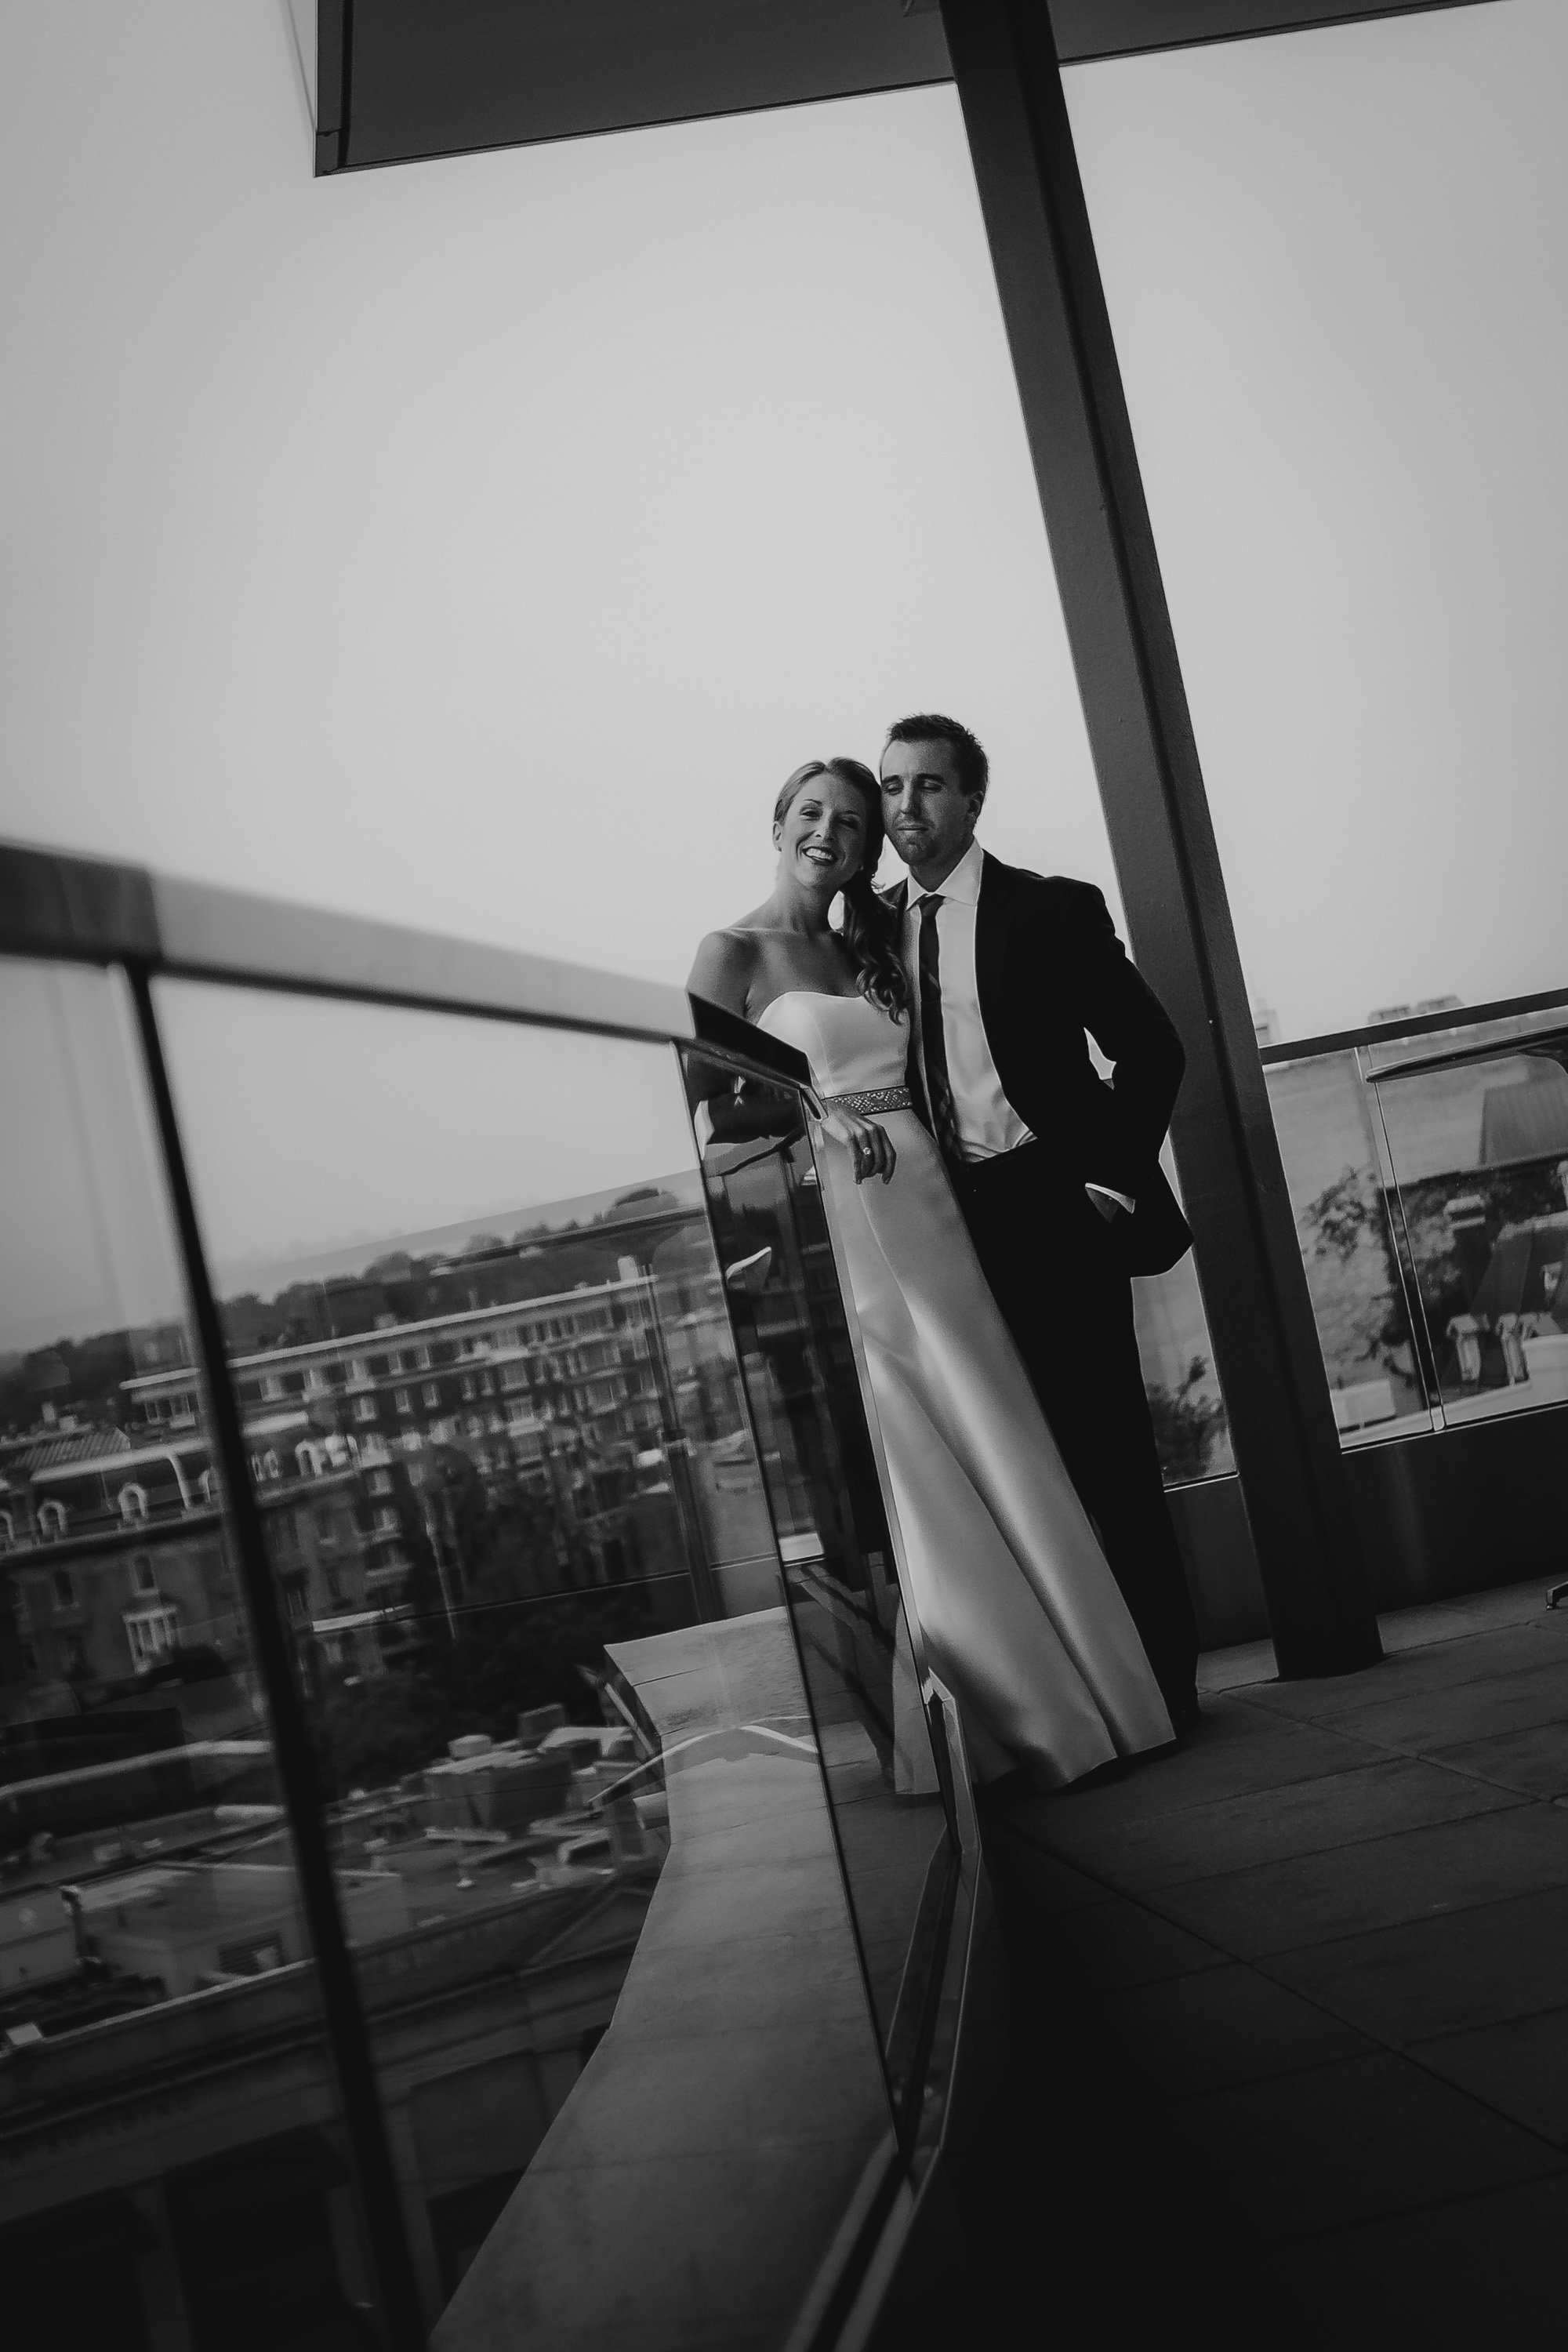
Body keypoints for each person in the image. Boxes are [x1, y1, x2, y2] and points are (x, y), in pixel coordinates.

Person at [688, 757, 1174, 1791]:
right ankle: (1002, 1720)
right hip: (852, 1207)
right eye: (813, 813)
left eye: (855, 823)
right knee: (920, 1447)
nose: (834, 832)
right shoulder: (731, 953)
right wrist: (813, 1113)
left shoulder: (877, 942)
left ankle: (1100, 1696)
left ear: (870, 849)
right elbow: (708, 1105)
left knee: (1002, 1432)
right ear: (778, 823)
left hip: (944, 1204)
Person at [878, 713, 1200, 1733]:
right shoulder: (872, 934)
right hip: (945, 1235)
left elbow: (1151, 1048)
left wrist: (1106, 1182)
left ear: (973, 799)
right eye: (891, 788)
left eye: (929, 786)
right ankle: (1067, 1703)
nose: (907, 808)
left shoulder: (1050, 911)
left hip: (1053, 1209)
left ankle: (1165, 1695)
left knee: (1107, 1456)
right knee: (1004, 1476)